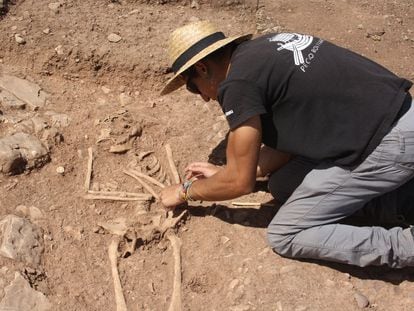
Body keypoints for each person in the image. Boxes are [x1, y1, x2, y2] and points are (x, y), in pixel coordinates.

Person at [159, 20, 414, 268]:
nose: (203, 97)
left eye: (193, 87)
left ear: (203, 68)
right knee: (283, 184)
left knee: (285, 235)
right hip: (399, 116)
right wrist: (225, 174)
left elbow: (240, 182)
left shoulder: (236, 84)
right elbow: (286, 141)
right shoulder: (266, 48)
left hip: (387, 144)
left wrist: (186, 190)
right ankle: (399, 199)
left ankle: (406, 246)